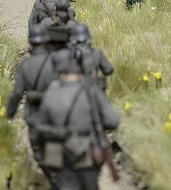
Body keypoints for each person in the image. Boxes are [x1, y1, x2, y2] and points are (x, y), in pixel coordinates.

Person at [37, 48, 120, 190]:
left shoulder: (51, 92)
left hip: (60, 154)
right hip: (87, 153)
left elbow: (40, 127)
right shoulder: (92, 91)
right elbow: (113, 121)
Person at [6, 24, 58, 167]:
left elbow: (17, 93)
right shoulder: (56, 61)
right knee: (55, 151)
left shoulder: (26, 65)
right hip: (55, 114)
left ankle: (49, 171)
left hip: (35, 115)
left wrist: (10, 113)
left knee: (38, 151)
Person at [68, 24, 114, 92]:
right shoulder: (96, 52)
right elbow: (109, 70)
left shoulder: (68, 53)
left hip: (74, 90)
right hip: (94, 90)